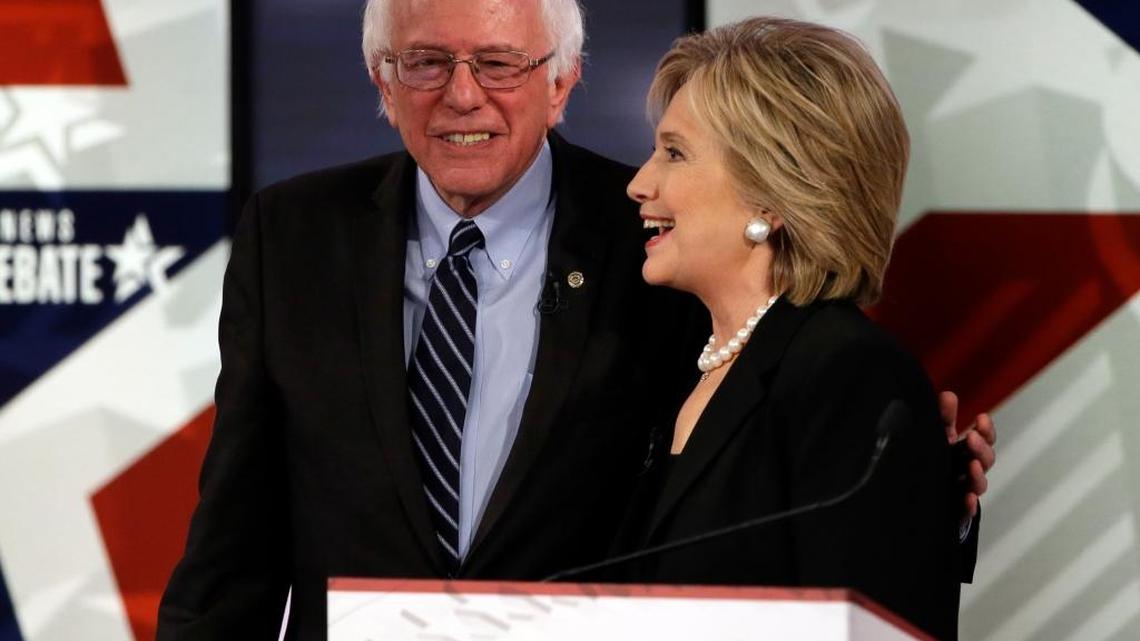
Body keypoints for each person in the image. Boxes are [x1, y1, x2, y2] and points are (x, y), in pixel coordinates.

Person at [157, 1, 994, 638]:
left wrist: (922, 500)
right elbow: (234, 546)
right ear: (381, 78)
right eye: (425, 62)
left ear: (562, 83)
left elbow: (799, 523)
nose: (461, 94)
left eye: (498, 63)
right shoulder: (292, 236)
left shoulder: (656, 260)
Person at [618, 17, 968, 640]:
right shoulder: (680, 365)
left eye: (674, 153)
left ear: (771, 194)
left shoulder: (848, 376)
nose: (638, 183)